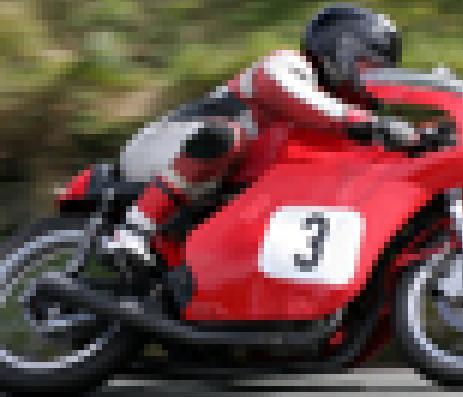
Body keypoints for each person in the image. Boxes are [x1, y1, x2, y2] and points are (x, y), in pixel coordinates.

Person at [117, 4, 423, 246]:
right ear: (339, 50)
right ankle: (134, 229)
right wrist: (371, 123)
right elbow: (296, 97)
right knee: (225, 135)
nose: (370, 79)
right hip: (164, 147)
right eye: (366, 66)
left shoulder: (337, 112)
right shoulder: (288, 66)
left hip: (214, 182)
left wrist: (419, 141)